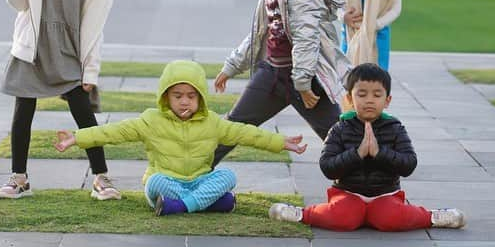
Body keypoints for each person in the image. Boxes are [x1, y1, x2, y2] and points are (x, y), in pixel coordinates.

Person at [55, 60, 308, 216]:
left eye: (191, 95)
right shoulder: (151, 120)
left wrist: (280, 142)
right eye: (177, 95)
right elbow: (112, 132)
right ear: (166, 97)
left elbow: (246, 132)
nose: (184, 101)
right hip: (167, 185)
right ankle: (209, 203)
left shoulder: (213, 122)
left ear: (200, 98)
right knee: (153, 183)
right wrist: (76, 138)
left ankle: (181, 206)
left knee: (228, 176)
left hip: (198, 181)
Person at [0, 0, 118, 200]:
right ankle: (19, 177)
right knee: (23, 111)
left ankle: (101, 178)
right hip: (34, 48)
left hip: (69, 51)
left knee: (84, 114)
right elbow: (19, 3)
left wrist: (90, 70)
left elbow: (94, 31)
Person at [212, 0, 351, 166]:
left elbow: (307, 41)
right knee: (231, 128)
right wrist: (231, 66)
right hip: (271, 77)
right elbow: (257, 35)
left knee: (338, 138)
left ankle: (363, 184)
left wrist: (302, 83)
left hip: (306, 83)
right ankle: (191, 173)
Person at [269, 63, 466, 231]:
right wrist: (358, 154)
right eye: (362, 94)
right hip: (347, 194)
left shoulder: (395, 128)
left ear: (387, 100)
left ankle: (432, 217)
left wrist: (380, 153)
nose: (369, 100)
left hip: (385, 195)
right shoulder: (340, 128)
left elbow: (409, 164)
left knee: (390, 219)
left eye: (377, 95)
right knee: (343, 219)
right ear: (349, 99)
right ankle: (302, 214)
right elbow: (327, 167)